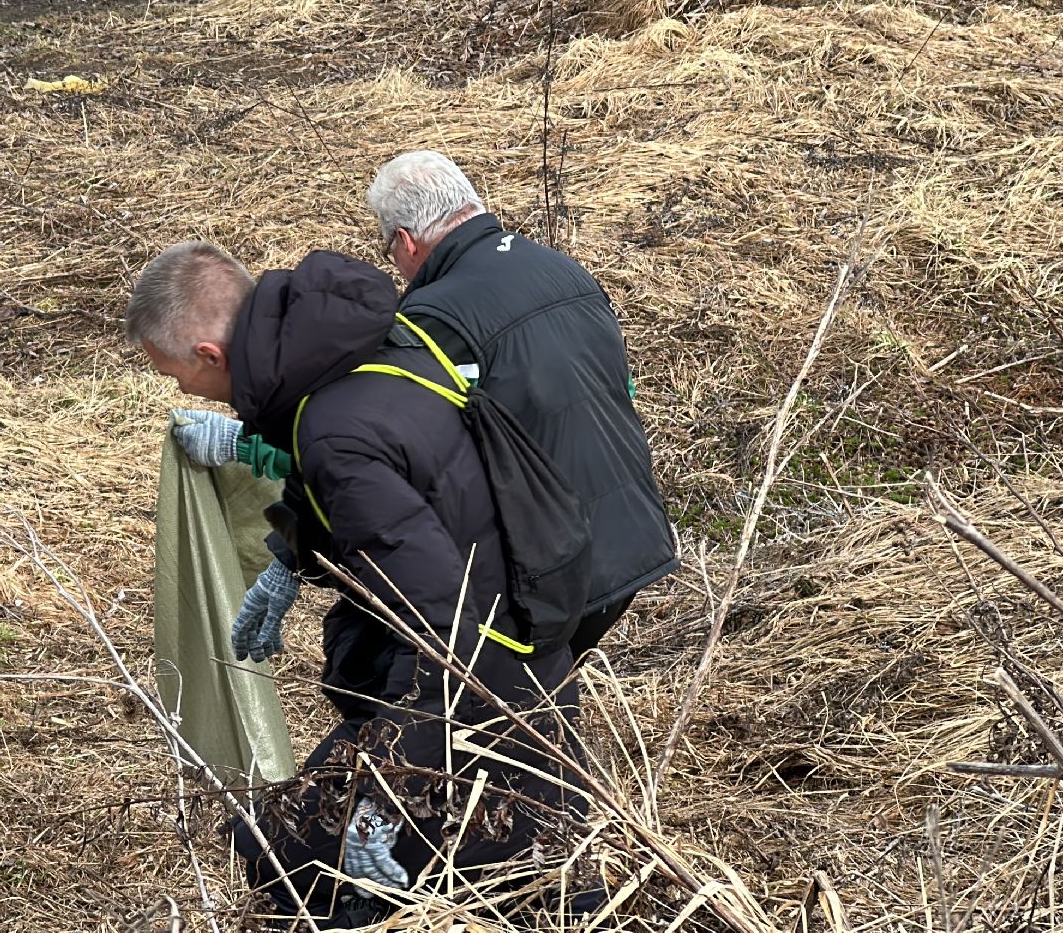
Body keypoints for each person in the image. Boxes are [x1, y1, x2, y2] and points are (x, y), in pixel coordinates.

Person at [130, 242, 584, 927]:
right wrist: (292, 559)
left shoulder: (331, 430)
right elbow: (401, 495)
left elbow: (449, 631)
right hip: (518, 644)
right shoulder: (354, 356)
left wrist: (382, 801)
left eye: (174, 375)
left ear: (209, 355)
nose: (181, 393)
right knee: (272, 849)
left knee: (313, 872)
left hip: (488, 693)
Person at [171, 151, 675, 666]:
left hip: (550, 557)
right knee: (538, 703)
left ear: (406, 241)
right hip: (630, 532)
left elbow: (407, 452)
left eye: (388, 247)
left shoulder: (433, 318)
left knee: (496, 710)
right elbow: (620, 392)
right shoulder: (562, 271)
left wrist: (251, 458)